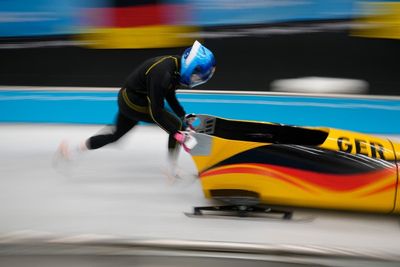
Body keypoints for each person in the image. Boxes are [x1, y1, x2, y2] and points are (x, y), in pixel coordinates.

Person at [56, 40, 216, 177]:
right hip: (133, 101)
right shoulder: (163, 73)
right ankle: (171, 168)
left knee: (115, 135)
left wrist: (183, 115)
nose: (196, 79)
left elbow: (169, 95)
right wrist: (177, 133)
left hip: (129, 97)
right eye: (197, 75)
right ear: (190, 66)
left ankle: (72, 150)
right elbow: (156, 112)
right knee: (176, 125)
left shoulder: (175, 66)